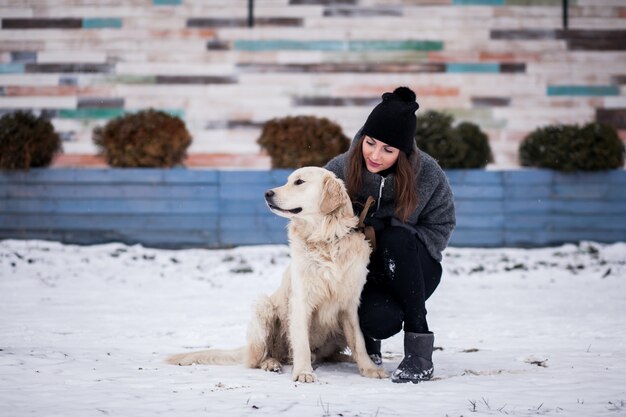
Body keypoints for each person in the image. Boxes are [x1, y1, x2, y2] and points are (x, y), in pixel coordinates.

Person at [324, 86, 456, 383]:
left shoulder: (428, 174)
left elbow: (442, 225)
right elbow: (316, 220)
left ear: (403, 152)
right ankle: (369, 345)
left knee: (396, 239)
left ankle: (419, 350)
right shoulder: (339, 170)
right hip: (366, 275)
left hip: (416, 269)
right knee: (378, 321)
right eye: (370, 143)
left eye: (388, 149)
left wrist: (393, 232)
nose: (375, 154)